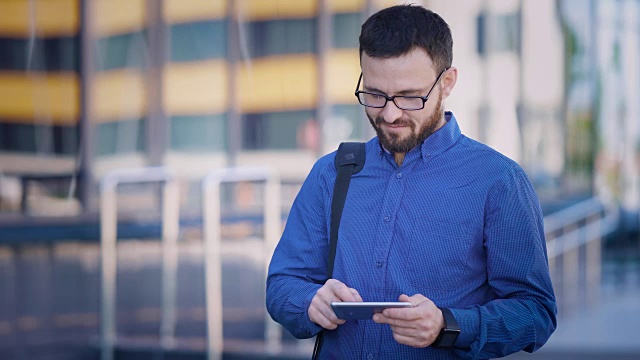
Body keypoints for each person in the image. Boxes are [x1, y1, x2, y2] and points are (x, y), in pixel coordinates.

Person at [266, 4, 557, 359]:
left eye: (408, 96)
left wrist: (447, 325)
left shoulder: (499, 181)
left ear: (447, 82)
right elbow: (282, 285)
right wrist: (309, 302)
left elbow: (535, 313)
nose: (389, 113)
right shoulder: (331, 174)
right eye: (374, 94)